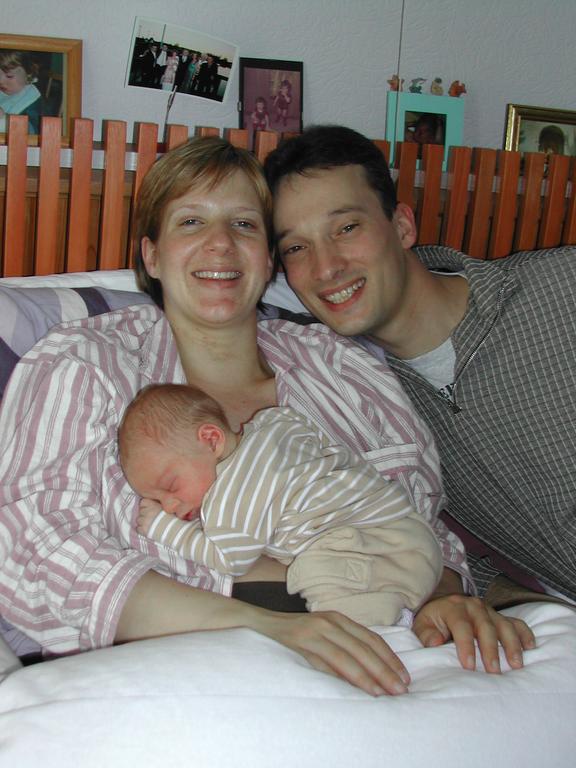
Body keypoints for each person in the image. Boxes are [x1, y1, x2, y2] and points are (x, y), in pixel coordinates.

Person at [0, 136, 532, 697]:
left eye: (245, 225)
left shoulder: (343, 370)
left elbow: (422, 517)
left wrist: (448, 599)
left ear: (269, 259)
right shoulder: (87, 362)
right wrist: (270, 629)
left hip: (387, 654)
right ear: (152, 256)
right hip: (176, 674)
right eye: (190, 223)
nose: (220, 244)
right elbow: (32, 550)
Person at [264, 123, 576, 612]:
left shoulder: (560, 289)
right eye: (296, 248)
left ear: (403, 226)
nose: (326, 268)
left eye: (346, 228)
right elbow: (436, 543)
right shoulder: (364, 408)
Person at [119, 383, 443, 626]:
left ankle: (386, 636)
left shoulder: (233, 492)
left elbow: (230, 558)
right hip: (409, 529)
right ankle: (392, 615)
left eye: (170, 487)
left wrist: (166, 529)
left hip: (359, 545)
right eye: (159, 502)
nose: (171, 506)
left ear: (212, 440)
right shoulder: (273, 424)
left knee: (326, 602)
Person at [0, 50, 43, 134]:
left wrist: (5, 119)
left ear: (29, 74)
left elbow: (34, 133)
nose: (0, 81)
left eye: (9, 76)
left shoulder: (31, 100)